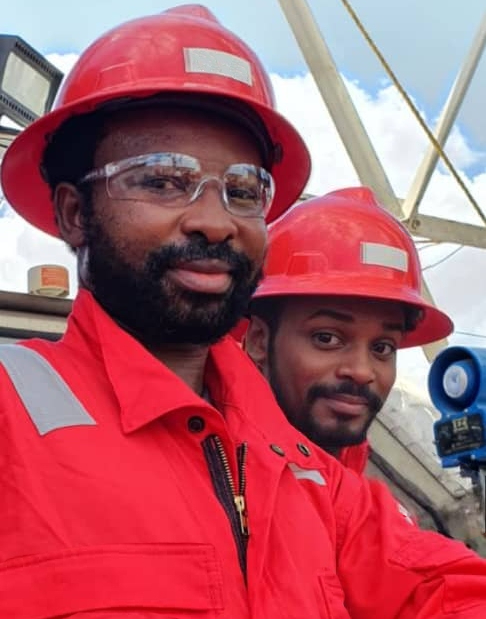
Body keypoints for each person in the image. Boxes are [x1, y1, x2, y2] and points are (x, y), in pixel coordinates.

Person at [1, 5, 486, 618]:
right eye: (162, 180)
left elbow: (442, 588)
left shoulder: (308, 474)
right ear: (75, 213)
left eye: (243, 190)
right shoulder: (12, 417)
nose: (215, 221)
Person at [244, 187, 453, 475]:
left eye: (382, 347)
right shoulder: (206, 476)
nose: (362, 371)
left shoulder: (356, 488)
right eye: (327, 338)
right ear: (259, 340)